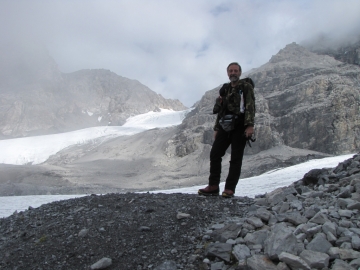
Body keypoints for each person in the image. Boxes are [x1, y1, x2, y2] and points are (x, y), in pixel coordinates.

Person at [198, 62, 255, 198]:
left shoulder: (246, 87)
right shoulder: (225, 89)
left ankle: (229, 189)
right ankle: (213, 186)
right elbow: (221, 110)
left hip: (240, 125)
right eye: (231, 71)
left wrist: (249, 125)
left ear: (240, 73)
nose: (233, 73)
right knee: (215, 153)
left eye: (235, 71)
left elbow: (250, 106)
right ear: (227, 73)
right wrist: (217, 128)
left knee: (236, 157)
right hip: (225, 125)